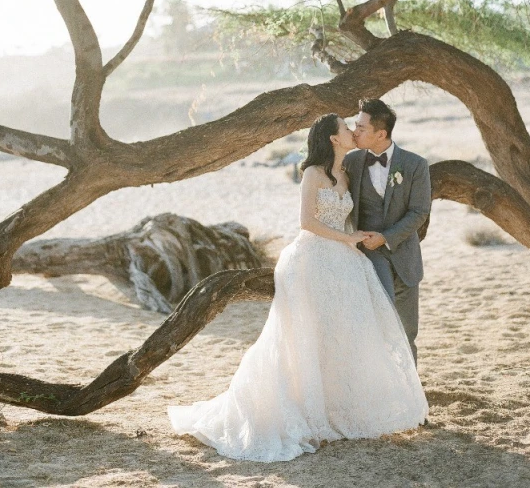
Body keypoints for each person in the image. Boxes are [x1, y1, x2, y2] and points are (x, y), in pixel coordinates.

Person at [168, 113, 428, 462]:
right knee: (305, 337)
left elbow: (358, 213)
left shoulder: (347, 172)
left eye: (356, 127)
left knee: (343, 335)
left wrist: (359, 239)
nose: (352, 132)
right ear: (334, 139)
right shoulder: (312, 173)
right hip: (313, 260)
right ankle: (305, 412)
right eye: (346, 129)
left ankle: (336, 408)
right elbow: (307, 223)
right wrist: (348, 238)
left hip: (345, 262)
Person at [344, 98, 432, 365]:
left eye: (360, 127)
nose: (354, 131)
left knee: (407, 332)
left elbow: (419, 212)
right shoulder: (351, 162)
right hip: (367, 259)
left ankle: (412, 393)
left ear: (380, 134)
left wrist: (386, 237)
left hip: (405, 258)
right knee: (377, 331)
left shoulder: (416, 164)